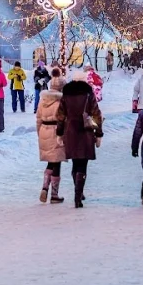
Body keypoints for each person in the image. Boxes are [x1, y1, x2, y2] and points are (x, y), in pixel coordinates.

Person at [56, 69, 104, 208]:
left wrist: (59, 133)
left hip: (70, 131)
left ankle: (78, 190)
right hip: (85, 132)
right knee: (83, 164)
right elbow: (96, 114)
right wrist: (98, 134)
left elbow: (60, 115)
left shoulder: (66, 93)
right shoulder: (88, 93)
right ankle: (78, 196)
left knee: (75, 162)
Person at [36, 74, 67, 204]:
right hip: (56, 131)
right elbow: (64, 120)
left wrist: (39, 133)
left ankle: (44, 188)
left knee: (50, 161)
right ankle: (54, 194)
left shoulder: (43, 100)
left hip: (44, 130)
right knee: (57, 162)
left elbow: (38, 119)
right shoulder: (61, 102)